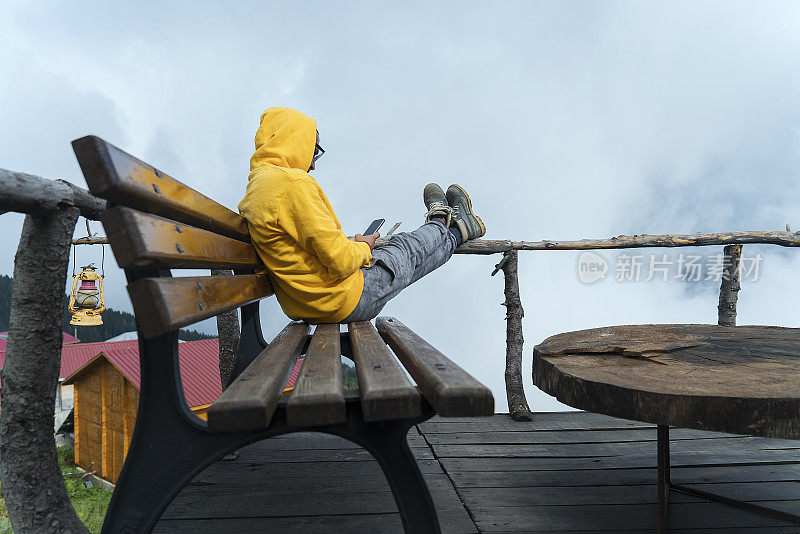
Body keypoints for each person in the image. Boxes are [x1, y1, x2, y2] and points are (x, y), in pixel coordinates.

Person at [238, 107, 486, 324]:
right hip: (341, 298)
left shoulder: (258, 186)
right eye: (313, 151)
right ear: (294, 141)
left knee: (408, 265)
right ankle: (441, 220)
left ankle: (459, 230)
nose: (313, 165)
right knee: (405, 248)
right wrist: (364, 247)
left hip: (310, 304)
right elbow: (340, 260)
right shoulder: (291, 184)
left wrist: (352, 247)